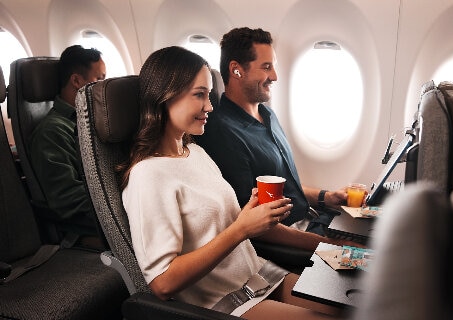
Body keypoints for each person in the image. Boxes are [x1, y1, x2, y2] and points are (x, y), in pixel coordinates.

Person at [119, 46, 355, 319]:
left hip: (260, 275)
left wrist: (251, 213)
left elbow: (224, 223)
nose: (209, 106)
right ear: (165, 96)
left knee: (354, 306)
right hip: (223, 302)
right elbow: (162, 283)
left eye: (209, 95)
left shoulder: (194, 152)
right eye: (199, 95)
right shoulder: (147, 176)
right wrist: (241, 229)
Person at [196, 27, 354, 236]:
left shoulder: (268, 115)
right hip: (290, 236)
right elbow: (251, 224)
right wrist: (327, 246)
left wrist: (326, 196)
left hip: (310, 219)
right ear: (236, 70)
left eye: (274, 66)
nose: (275, 76)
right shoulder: (223, 133)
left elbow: (283, 188)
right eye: (266, 67)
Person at [29, 45, 106, 246]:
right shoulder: (52, 132)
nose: (104, 87)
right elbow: (68, 199)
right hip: (83, 229)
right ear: (77, 81)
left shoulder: (93, 122)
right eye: (99, 80)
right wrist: (123, 206)